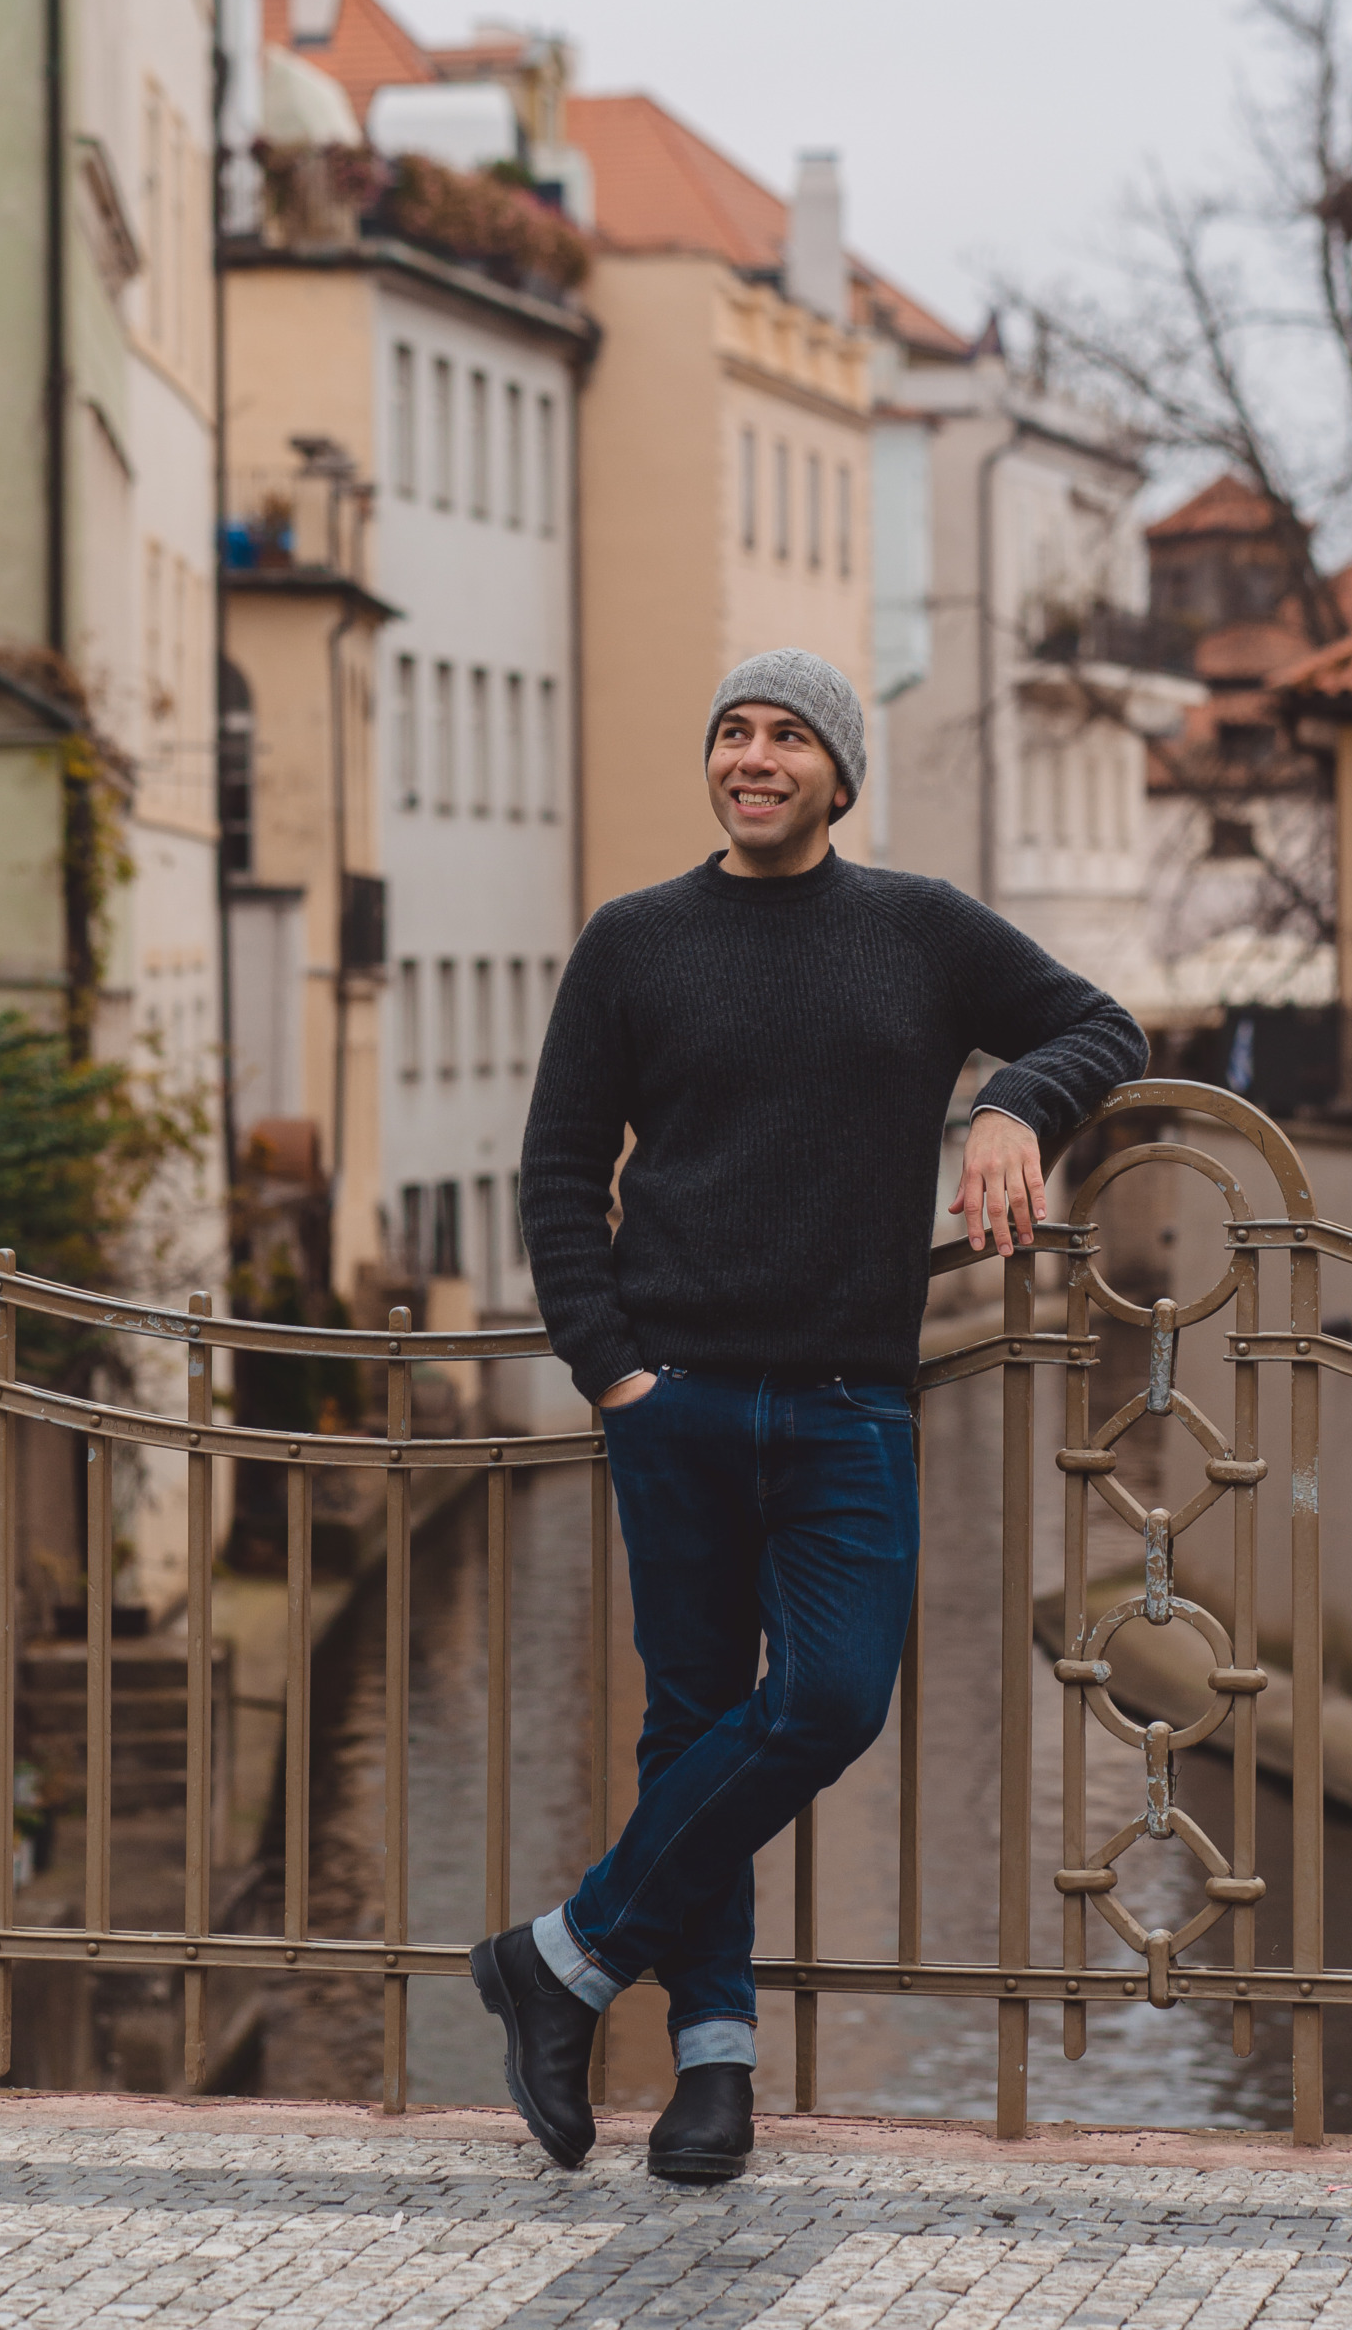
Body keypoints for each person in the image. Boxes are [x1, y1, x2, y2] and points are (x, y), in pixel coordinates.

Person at [471, 648, 1146, 2180]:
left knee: (831, 1701)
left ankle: (561, 1962)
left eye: (788, 738)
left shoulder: (916, 929)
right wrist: (613, 1372)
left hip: (850, 1403)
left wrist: (1007, 1104)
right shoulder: (635, 941)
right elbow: (561, 1169)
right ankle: (714, 2066)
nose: (754, 758)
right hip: (679, 1398)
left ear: (840, 776)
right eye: (733, 733)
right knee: (696, 1718)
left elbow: (1106, 1028)